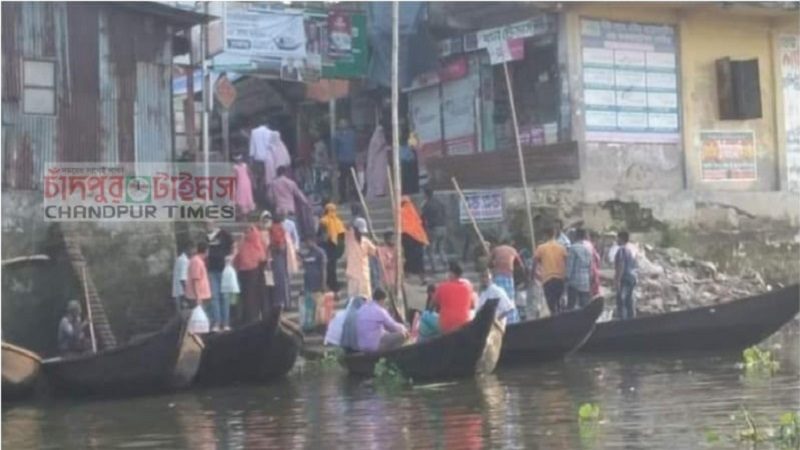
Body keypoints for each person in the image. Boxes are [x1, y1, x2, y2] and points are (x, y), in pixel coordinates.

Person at [234, 220, 267, 324]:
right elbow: (239, 256)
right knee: (246, 295)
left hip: (253, 272)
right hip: (244, 272)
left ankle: (252, 316)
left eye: (249, 231)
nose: (246, 233)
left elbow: (262, 257)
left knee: (251, 295)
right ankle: (247, 316)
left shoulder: (256, 242)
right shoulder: (244, 243)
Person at [206, 221, 233, 332]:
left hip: (223, 269)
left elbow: (233, 246)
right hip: (211, 270)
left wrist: (231, 257)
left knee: (225, 297)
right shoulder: (205, 236)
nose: (208, 225)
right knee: (214, 297)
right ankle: (217, 323)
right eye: (207, 223)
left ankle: (225, 323)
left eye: (210, 223)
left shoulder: (224, 234)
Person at [533, 227, 568, 315]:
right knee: (559, 300)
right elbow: (567, 262)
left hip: (547, 279)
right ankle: (560, 317)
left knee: (551, 303)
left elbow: (534, 262)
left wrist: (532, 275)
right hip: (560, 278)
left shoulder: (541, 248)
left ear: (545, 236)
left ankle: (555, 319)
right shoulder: (561, 248)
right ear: (554, 235)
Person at [433, 262, 475, 333]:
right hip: (464, 325)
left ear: (451, 273)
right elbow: (472, 306)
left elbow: (433, 305)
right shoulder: (468, 287)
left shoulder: (442, 287)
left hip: (446, 326)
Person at [345, 218, 377, 298]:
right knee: (353, 300)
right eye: (359, 231)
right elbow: (346, 226)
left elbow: (375, 252)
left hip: (364, 275)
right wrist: (353, 225)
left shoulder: (366, 241)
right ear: (355, 229)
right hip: (353, 275)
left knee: (366, 298)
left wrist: (376, 244)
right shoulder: (349, 238)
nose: (360, 233)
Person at [301, 232, 327, 331]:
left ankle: (320, 327)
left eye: (307, 242)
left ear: (312, 241)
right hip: (308, 285)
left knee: (319, 307)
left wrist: (323, 284)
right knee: (310, 307)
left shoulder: (320, 253)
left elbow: (324, 269)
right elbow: (305, 268)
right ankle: (311, 326)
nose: (306, 244)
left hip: (318, 284)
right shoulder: (307, 254)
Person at [400, 196, 429, 282]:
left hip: (408, 239)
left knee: (408, 259)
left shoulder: (401, 212)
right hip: (418, 240)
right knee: (419, 261)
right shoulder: (414, 212)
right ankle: (423, 279)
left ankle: (405, 278)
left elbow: (402, 226)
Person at [319, 203, 346, 292]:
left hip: (327, 246)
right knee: (332, 267)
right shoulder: (338, 222)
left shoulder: (323, 220)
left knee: (327, 267)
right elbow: (342, 236)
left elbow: (320, 234)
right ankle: (333, 285)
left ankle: (329, 284)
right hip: (335, 247)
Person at [421, 186, 448, 273]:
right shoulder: (440, 203)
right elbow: (445, 214)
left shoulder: (426, 205)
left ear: (425, 194)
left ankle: (435, 268)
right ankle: (446, 264)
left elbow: (423, 218)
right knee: (441, 248)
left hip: (433, 228)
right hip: (443, 227)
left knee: (431, 249)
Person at [565, 228, 592, 310]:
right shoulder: (587, 249)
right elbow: (589, 266)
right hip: (585, 281)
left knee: (571, 306)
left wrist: (566, 278)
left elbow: (570, 266)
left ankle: (571, 322)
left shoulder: (573, 248)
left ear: (575, 236)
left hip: (574, 282)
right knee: (584, 306)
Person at [269, 213, 290, 315]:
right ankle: (284, 303)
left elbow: (278, 241)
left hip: (277, 254)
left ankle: (280, 303)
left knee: (279, 280)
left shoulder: (275, 228)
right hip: (281, 254)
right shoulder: (280, 228)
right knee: (282, 280)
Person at [614, 230, 639, 320]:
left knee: (622, 301)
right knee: (629, 301)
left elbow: (621, 265)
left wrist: (617, 280)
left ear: (621, 238)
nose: (616, 240)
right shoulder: (632, 248)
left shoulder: (622, 250)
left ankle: (623, 323)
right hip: (633, 277)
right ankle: (632, 321)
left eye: (617, 238)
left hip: (624, 278)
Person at [333, 118, 357, 201]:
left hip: (351, 160)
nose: (343, 125)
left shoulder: (352, 134)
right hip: (342, 161)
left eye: (344, 123)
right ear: (339, 125)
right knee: (342, 180)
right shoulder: (336, 136)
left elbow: (355, 145)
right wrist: (335, 161)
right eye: (341, 124)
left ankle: (355, 196)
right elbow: (335, 149)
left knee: (353, 180)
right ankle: (343, 197)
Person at [365, 123, 389, 200]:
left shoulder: (382, 139)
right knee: (378, 177)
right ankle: (378, 192)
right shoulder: (374, 140)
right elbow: (375, 150)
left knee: (383, 177)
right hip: (377, 162)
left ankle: (382, 191)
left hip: (382, 162)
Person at [186, 242, 212, 313]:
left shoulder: (199, 261)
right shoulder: (196, 261)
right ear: (206, 251)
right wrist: (198, 296)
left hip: (201, 295)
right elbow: (196, 279)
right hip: (198, 296)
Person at [220, 254, 239, 331]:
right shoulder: (230, 257)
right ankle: (227, 322)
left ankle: (229, 321)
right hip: (229, 284)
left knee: (231, 304)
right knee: (230, 304)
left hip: (229, 284)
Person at [171, 241, 191, 313]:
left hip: (178, 292)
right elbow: (183, 279)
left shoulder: (180, 259)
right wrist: (187, 293)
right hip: (182, 293)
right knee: (184, 315)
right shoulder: (184, 261)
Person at [233, 153, 256, 218]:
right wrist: (253, 181)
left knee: (242, 195)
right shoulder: (243, 165)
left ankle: (244, 211)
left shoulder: (236, 167)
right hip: (245, 182)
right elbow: (250, 173)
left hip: (242, 183)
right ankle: (245, 211)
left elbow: (234, 176)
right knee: (245, 195)